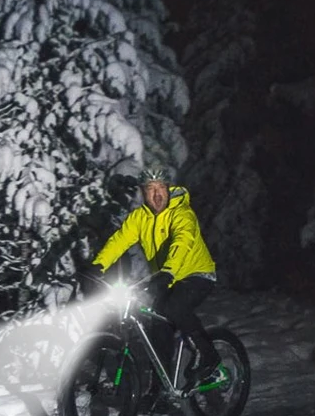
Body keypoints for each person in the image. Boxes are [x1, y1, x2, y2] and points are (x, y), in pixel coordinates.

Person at [86, 167, 221, 395]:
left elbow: (183, 241)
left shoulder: (182, 213)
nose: (157, 194)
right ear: (143, 193)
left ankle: (209, 356)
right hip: (166, 278)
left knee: (173, 307)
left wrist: (168, 271)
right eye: (150, 189)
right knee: (157, 327)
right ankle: (161, 391)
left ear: (168, 189)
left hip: (196, 274)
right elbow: (119, 241)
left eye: (161, 188)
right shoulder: (139, 218)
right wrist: (97, 266)